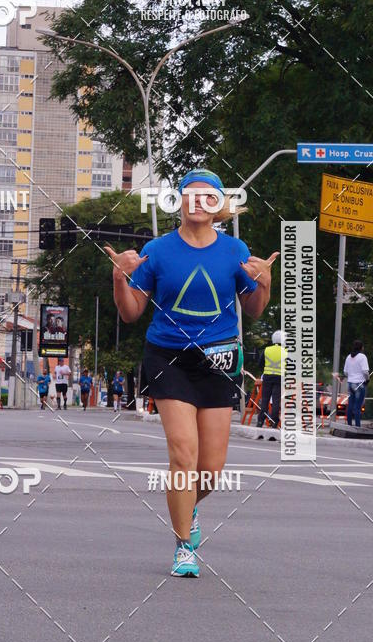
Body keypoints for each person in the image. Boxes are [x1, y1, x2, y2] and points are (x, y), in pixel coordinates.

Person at [105, 167, 278, 578]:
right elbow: (131, 313)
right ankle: (184, 545)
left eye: (208, 197)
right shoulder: (158, 251)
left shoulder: (235, 250)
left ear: (219, 205)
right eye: (190, 195)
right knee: (184, 454)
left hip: (219, 361)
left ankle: (190, 508)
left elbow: (252, 310)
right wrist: (118, 278)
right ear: (178, 202)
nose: (198, 202)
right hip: (168, 357)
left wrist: (265, 283)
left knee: (211, 470)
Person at [256, 330, 287, 438]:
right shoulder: (286, 352)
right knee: (276, 400)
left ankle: (260, 421)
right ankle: (274, 422)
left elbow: (260, 364)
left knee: (265, 399)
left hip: (268, 377)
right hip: (280, 378)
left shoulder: (267, 350)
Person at [340, 339, 369, 427]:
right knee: (357, 406)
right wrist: (367, 379)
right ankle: (357, 426)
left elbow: (345, 372)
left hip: (350, 384)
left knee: (350, 405)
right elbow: (365, 371)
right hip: (359, 384)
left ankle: (349, 425)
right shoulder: (362, 357)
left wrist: (352, 374)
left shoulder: (349, 357)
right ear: (361, 348)